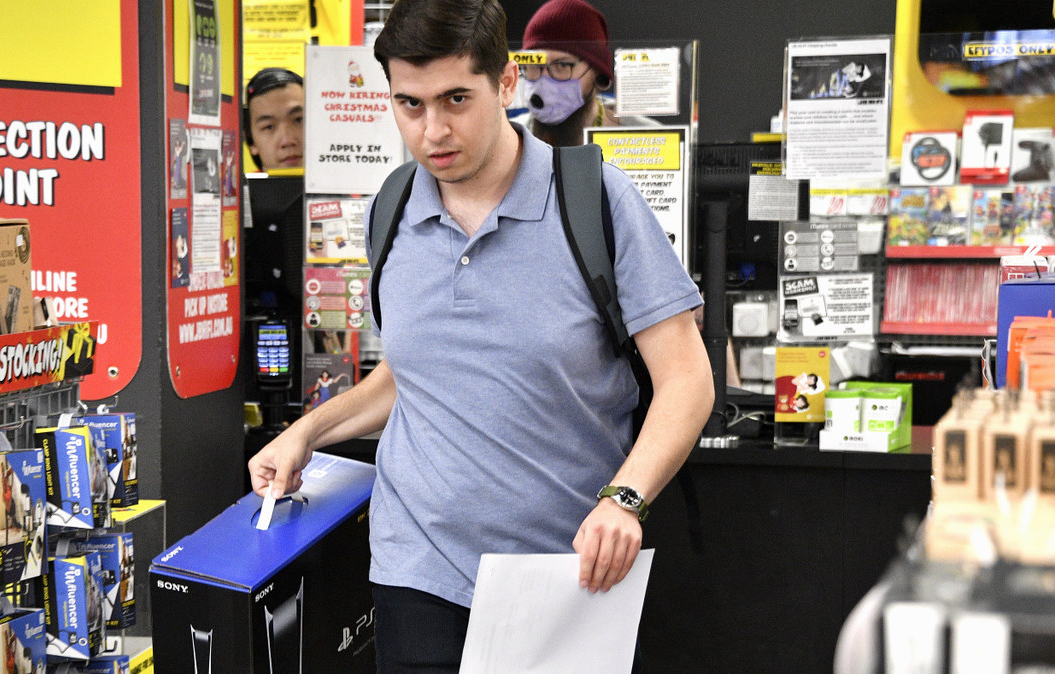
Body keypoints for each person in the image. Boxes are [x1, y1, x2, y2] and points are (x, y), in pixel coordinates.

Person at [247, 0, 712, 670]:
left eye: (456, 99)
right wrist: (307, 432)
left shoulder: (597, 202)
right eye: (409, 104)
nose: (433, 129)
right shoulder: (392, 208)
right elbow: (413, 372)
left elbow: (686, 378)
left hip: (568, 573)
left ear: (505, 85)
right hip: (416, 573)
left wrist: (625, 499)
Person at [518, 0, 651, 147]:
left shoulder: (648, 138)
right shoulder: (511, 137)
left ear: (597, 71)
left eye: (562, 65)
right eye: (534, 65)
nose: (544, 79)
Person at [243, 68, 305, 171]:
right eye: (269, 127)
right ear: (251, 142)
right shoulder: (240, 187)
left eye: (299, 120)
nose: (287, 141)